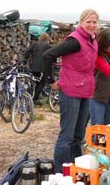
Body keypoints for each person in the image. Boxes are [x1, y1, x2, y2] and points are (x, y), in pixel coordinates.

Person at [42, 9, 99, 173]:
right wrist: (50, 81)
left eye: (94, 22)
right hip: (71, 91)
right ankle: (60, 173)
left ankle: (77, 169)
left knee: (78, 136)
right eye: (88, 21)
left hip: (86, 91)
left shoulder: (92, 41)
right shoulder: (75, 41)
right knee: (67, 136)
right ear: (81, 22)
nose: (92, 25)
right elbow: (48, 55)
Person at [24, 32, 51, 106]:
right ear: (47, 38)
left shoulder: (35, 44)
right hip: (43, 68)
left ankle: (34, 98)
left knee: (36, 83)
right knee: (42, 83)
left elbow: (27, 51)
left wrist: (25, 60)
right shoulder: (48, 46)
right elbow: (52, 55)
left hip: (34, 67)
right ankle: (35, 99)